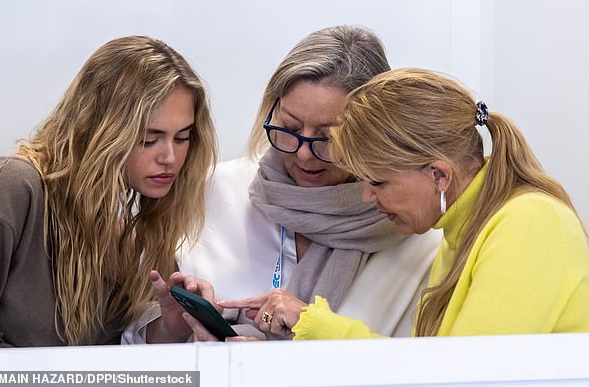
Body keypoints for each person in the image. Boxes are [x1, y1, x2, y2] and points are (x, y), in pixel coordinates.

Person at [124, 26, 442, 343]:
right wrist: (175, 330)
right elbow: (131, 342)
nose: (304, 153)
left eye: (328, 138)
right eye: (289, 127)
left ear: (372, 133)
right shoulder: (207, 195)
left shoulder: (416, 235)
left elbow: (428, 363)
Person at [220, 68, 589, 339]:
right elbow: (428, 368)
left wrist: (317, 327)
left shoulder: (529, 221)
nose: (367, 196)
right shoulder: (459, 228)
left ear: (439, 176)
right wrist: (308, 325)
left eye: (378, 181)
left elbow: (468, 377)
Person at [0, 35, 218, 348]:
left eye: (182, 138)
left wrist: (169, 329)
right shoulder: (14, 187)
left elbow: (106, 360)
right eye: (149, 139)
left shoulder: (124, 239)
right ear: (101, 129)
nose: (170, 158)